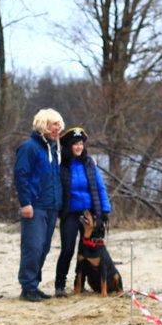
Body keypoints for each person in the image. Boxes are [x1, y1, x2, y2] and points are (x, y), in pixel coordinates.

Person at [53, 126, 112, 298]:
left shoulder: (89, 164)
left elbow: (100, 187)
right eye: (75, 144)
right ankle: (59, 285)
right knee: (68, 249)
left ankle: (80, 284)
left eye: (80, 143)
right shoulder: (61, 165)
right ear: (68, 146)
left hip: (90, 213)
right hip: (70, 213)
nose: (78, 147)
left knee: (89, 251)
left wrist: (105, 209)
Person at [14, 108, 64, 302]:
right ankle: (27, 287)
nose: (56, 128)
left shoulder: (53, 148)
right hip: (35, 206)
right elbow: (21, 176)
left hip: (52, 206)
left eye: (58, 125)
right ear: (43, 125)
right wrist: (25, 203)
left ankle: (34, 285)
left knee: (43, 247)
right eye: (53, 124)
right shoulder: (29, 147)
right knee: (33, 247)